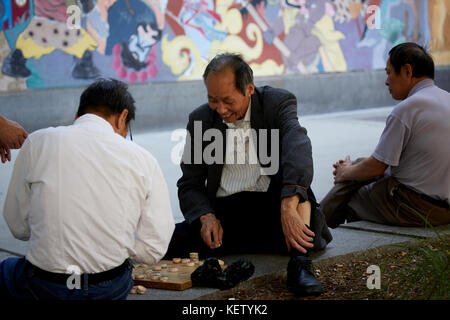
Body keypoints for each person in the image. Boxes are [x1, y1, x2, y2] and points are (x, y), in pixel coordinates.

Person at [166, 53, 332, 297]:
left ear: (249, 89)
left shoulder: (277, 103)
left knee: (296, 185)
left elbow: (299, 147)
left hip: (272, 206)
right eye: (212, 99)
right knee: (166, 242)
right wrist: (206, 216)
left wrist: (287, 207)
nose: (220, 109)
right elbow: (189, 183)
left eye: (227, 100)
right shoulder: (200, 118)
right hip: (225, 215)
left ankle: (300, 264)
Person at [0, 79, 175, 300]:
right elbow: (153, 248)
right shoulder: (143, 159)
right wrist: (113, 243)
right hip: (108, 287)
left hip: (46, 285)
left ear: (78, 116)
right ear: (122, 118)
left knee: (8, 270)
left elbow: (18, 227)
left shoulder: (38, 141)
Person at [321, 42, 450, 228]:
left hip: (416, 208)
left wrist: (344, 173)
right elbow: (382, 163)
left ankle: (312, 230)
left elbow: (376, 167)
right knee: (359, 165)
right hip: (444, 209)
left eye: (389, 73)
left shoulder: (407, 110)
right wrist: (352, 169)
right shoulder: (446, 99)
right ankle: (315, 224)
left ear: (407, 71)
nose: (386, 81)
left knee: (351, 195)